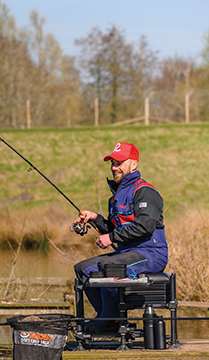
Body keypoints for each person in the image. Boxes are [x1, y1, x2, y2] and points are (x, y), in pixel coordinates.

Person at [72, 142, 168, 333]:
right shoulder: (116, 196)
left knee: (108, 268)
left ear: (133, 165)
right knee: (83, 269)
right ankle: (105, 317)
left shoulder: (145, 192)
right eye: (113, 163)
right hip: (127, 252)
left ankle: (112, 320)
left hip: (151, 253)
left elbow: (145, 227)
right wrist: (95, 218)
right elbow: (113, 228)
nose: (114, 167)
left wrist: (111, 237)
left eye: (119, 163)